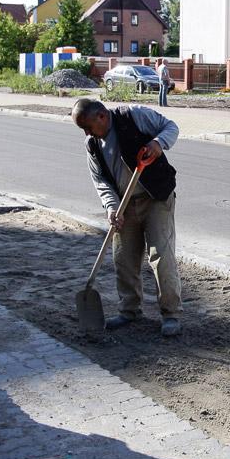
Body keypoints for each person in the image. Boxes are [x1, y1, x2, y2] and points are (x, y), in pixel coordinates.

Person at [71, 98, 183, 337]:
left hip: (156, 197)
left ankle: (171, 314)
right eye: (82, 128)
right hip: (124, 204)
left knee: (161, 255)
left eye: (88, 126)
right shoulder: (92, 144)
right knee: (123, 258)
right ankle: (129, 311)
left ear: (101, 116)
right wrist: (112, 208)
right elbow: (100, 180)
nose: (86, 132)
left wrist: (158, 143)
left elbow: (171, 127)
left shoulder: (133, 115)